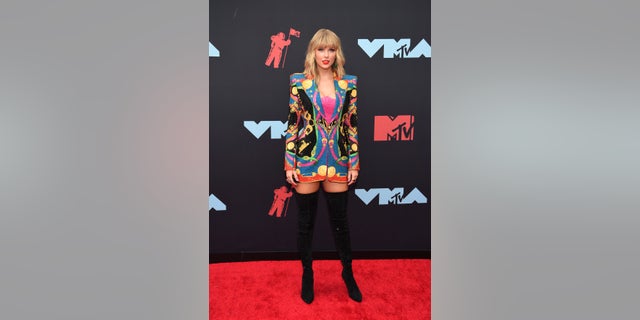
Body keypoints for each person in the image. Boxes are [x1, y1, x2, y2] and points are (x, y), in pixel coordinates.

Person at [283, 28, 362, 304]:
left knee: (341, 223)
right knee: (305, 225)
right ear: (312, 52)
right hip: (306, 159)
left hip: (338, 160)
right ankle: (307, 274)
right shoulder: (298, 83)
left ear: (336, 52)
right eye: (320, 49)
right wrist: (289, 163)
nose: (325, 55)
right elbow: (293, 124)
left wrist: (354, 162)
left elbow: (351, 125)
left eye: (330, 49)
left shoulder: (349, 83)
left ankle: (348, 274)